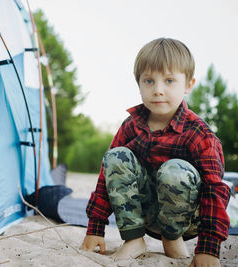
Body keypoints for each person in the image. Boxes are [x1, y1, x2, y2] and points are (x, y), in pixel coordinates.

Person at [79, 38, 230, 267]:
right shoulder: (131, 126)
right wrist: (95, 228)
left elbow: (215, 189)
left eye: (169, 81)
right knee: (115, 156)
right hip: (145, 215)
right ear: (138, 84)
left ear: (188, 85)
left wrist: (209, 248)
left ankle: (171, 237)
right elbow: (105, 178)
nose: (158, 90)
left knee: (174, 170)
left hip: (189, 220)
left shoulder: (199, 133)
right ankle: (134, 238)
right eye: (149, 81)